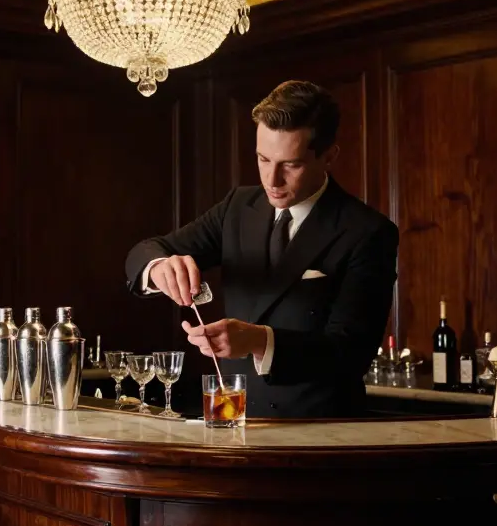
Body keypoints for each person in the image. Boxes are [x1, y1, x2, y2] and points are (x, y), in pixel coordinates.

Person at [124, 80, 399, 418]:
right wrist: (159, 267)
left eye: (291, 164)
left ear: (329, 156)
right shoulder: (238, 207)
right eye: (263, 159)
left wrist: (260, 341)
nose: (272, 179)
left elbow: (350, 352)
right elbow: (146, 252)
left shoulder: (368, 231)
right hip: (233, 420)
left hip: (321, 435)